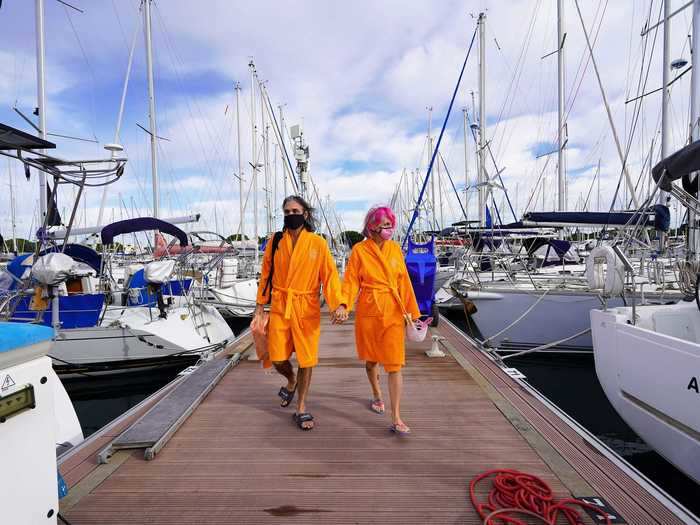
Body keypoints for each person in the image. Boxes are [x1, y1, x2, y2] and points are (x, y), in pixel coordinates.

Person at [254, 195, 344, 430]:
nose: (290, 215)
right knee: (277, 357)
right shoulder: (275, 241)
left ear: (305, 214)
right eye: (286, 212)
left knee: (306, 359)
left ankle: (301, 406)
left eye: (295, 210)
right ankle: (291, 379)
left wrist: (339, 304)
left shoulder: (318, 243)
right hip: (281, 305)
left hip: (306, 308)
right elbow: (266, 275)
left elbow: (331, 277)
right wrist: (259, 307)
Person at [334, 205, 421, 435]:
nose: (388, 229)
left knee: (395, 364)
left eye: (390, 224)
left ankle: (397, 417)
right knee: (372, 360)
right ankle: (376, 394)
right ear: (372, 227)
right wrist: (344, 304)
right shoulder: (359, 251)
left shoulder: (395, 250)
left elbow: (403, 282)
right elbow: (351, 282)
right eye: (383, 225)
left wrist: (413, 313)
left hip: (393, 311)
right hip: (369, 311)